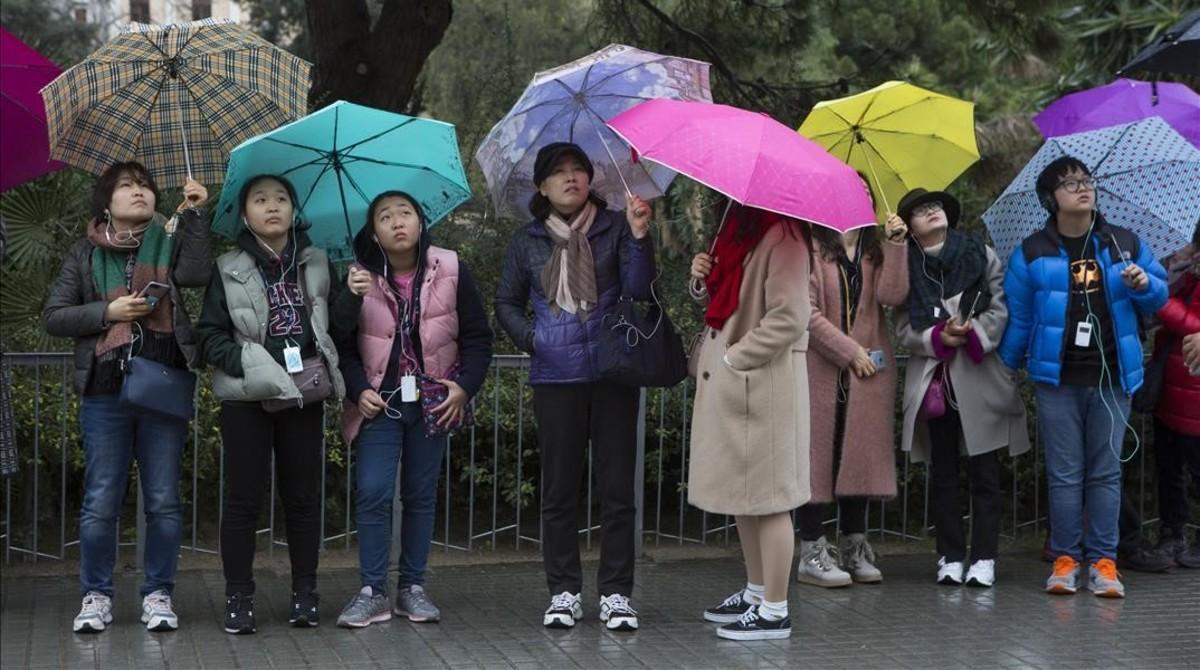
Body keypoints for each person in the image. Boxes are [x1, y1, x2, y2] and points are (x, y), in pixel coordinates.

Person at [43, 161, 210, 633]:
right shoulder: (84, 254)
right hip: (105, 390)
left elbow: (197, 274)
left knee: (162, 498)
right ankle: (95, 596)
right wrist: (107, 311)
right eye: (126, 187)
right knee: (101, 499)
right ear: (106, 201)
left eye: (145, 186)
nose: (139, 192)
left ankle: (159, 594)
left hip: (162, 382)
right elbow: (54, 316)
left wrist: (196, 217)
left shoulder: (171, 239)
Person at [494, 142, 655, 631]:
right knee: (559, 492)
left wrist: (641, 237)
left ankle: (616, 594)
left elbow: (639, 290)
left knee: (617, 492)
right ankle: (563, 592)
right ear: (541, 187)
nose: (571, 178)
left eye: (578, 170)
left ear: (591, 179)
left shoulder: (614, 228)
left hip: (612, 375)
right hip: (555, 376)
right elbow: (505, 302)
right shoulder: (527, 241)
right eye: (559, 172)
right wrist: (534, 339)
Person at [998, 156, 1168, 598]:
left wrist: (1141, 282)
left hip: (1113, 379)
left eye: (1086, 181)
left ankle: (1105, 562)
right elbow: (1019, 317)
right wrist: (1006, 370)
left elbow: (1160, 294)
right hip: (1058, 382)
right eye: (1069, 183)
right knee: (1065, 474)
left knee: (1107, 473)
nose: (1082, 188)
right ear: (1049, 200)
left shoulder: (1123, 242)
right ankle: (1066, 559)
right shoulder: (1031, 251)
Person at [195, 174, 347, 633]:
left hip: (304, 393)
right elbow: (208, 336)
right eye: (260, 200)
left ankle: (305, 593)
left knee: (302, 499)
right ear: (245, 215)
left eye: (281, 198)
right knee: (242, 501)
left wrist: (355, 296)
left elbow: (338, 324)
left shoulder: (318, 261)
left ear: (294, 210)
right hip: (248, 397)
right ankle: (239, 596)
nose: (272, 206)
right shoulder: (227, 267)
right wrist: (249, 363)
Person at [333, 191, 493, 628]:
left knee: (420, 496)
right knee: (372, 492)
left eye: (406, 212)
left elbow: (479, 337)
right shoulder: (358, 277)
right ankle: (371, 590)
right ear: (373, 233)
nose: (397, 221)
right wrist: (357, 387)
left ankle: (412, 588)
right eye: (385, 217)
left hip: (433, 402)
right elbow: (340, 343)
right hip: (378, 404)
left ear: (421, 223)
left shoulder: (451, 268)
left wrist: (464, 387)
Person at [689, 204, 811, 641]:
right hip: (741, 387)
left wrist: (734, 359)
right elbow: (727, 304)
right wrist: (703, 276)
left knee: (772, 497)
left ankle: (775, 610)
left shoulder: (785, 236)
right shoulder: (739, 234)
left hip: (766, 386)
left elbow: (790, 316)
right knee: (746, 496)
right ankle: (757, 591)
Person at [896, 188, 1030, 589]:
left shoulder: (979, 251)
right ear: (911, 228)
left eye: (935, 206)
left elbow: (1002, 306)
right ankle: (950, 556)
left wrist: (973, 331)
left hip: (978, 372)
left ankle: (985, 557)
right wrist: (936, 336)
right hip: (935, 380)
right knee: (945, 473)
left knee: (986, 472)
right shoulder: (906, 266)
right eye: (920, 211)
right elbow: (902, 325)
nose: (931, 212)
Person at [796, 206, 908, 588]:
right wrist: (848, 351)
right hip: (822, 368)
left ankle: (854, 546)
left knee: (858, 455)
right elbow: (804, 313)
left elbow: (892, 296)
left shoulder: (875, 250)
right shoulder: (812, 248)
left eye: (864, 193)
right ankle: (812, 550)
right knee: (816, 459)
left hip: (868, 373)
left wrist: (896, 246)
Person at [1151, 222, 1200, 568]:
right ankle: (1171, 533)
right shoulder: (1185, 272)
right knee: (1167, 469)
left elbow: (1194, 324)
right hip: (1167, 385)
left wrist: (1160, 301)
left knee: (1197, 469)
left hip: (1195, 391)